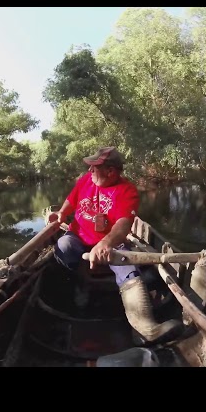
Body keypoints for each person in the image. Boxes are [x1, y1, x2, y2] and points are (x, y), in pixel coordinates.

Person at [48, 146, 181, 345]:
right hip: (79, 236)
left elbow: (123, 225)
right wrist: (61, 214)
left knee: (129, 269)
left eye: (95, 167)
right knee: (63, 246)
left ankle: (145, 329)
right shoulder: (86, 180)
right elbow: (71, 199)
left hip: (112, 243)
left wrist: (105, 243)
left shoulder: (127, 191)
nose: (90, 171)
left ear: (110, 171)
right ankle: (82, 283)